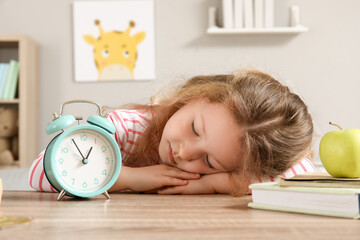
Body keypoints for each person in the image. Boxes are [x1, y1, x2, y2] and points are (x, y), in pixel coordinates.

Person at [29, 68, 316, 196]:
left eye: (209, 162)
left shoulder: (223, 169)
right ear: (196, 95)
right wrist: (130, 177)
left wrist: (214, 184)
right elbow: (37, 173)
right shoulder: (129, 128)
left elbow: (300, 171)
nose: (183, 152)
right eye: (194, 128)